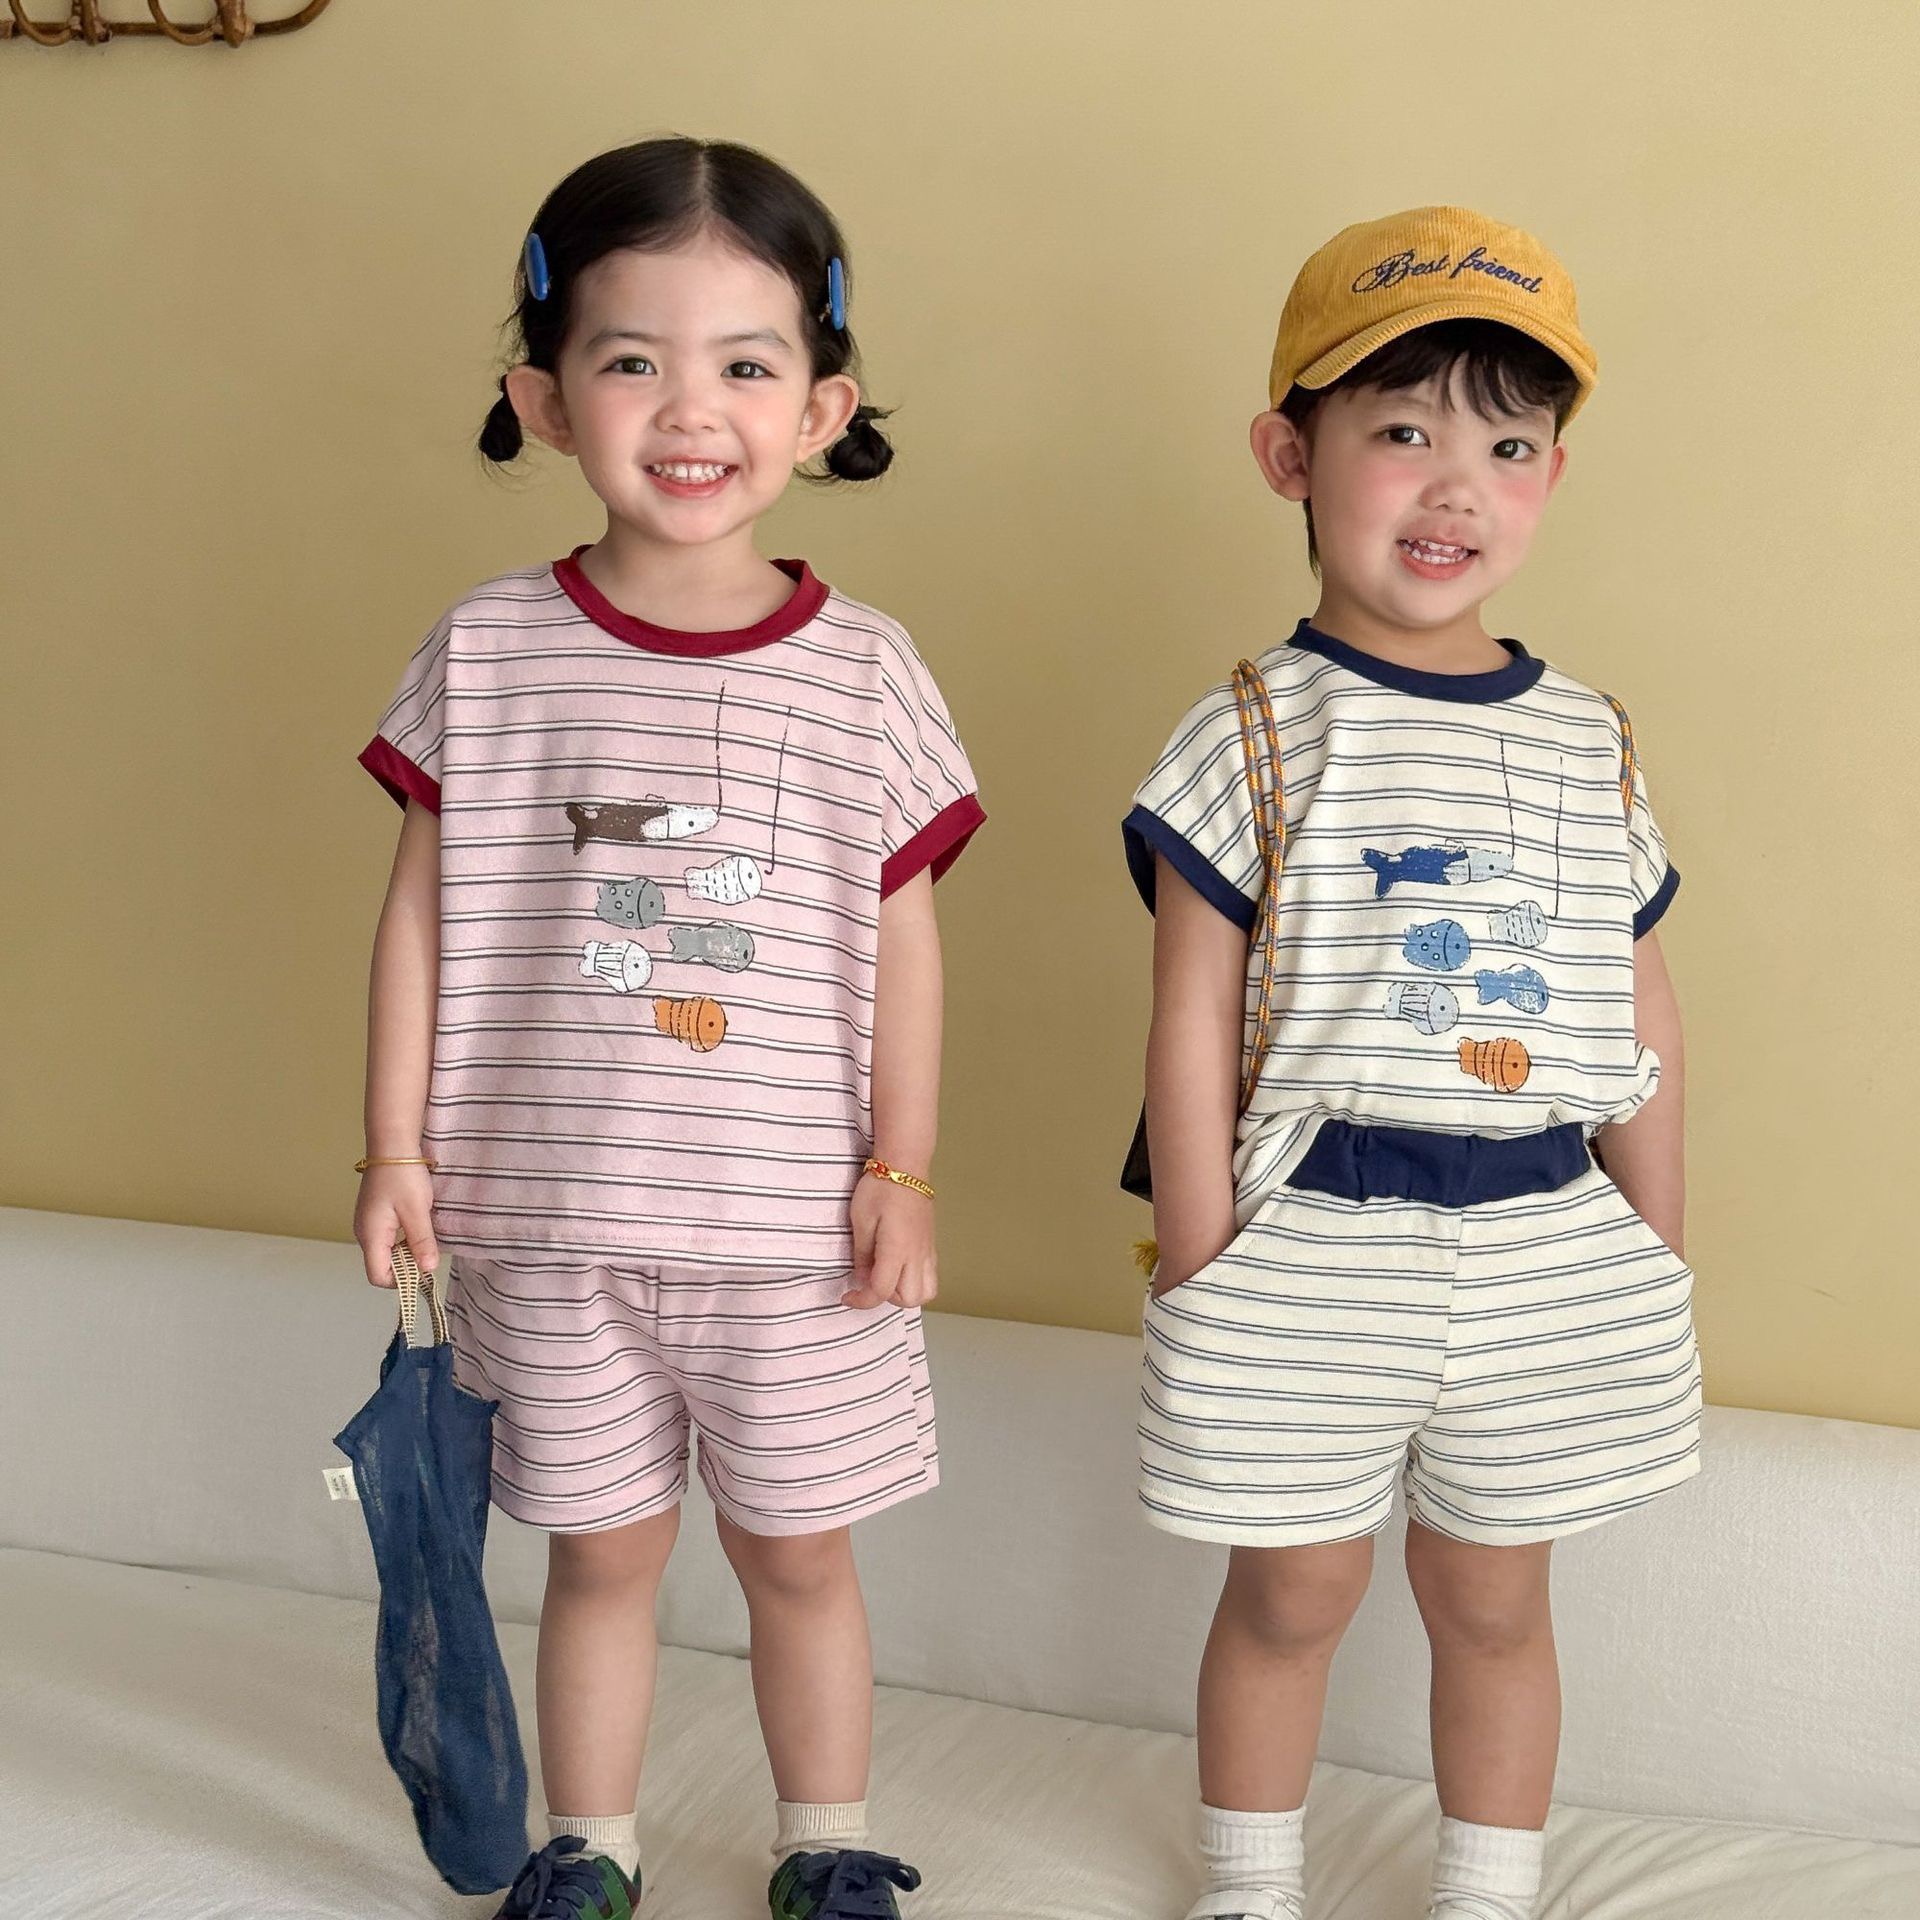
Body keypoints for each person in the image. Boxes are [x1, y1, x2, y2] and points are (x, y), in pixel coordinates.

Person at [353, 136, 984, 1920]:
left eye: (747, 364)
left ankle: (824, 1842)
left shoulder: (866, 672)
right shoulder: (487, 650)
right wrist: (393, 1149)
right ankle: (592, 1846)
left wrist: (903, 1170)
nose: (691, 409)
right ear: (546, 401)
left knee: (800, 1559)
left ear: (821, 407)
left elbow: (906, 940)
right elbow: (417, 914)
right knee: (599, 1559)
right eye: (633, 359)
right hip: (546, 1226)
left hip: (793, 1241)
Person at [1123, 206, 1698, 1920]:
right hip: (1315, 1230)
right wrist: (1201, 1256)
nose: (1458, 488)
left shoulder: (1590, 739)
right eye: (1403, 432)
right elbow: (1186, 1016)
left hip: (1543, 1232)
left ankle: (1487, 1894)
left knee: (1495, 1600)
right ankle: (1249, 1888)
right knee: (1291, 1591)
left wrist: (1656, 1241)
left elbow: (1643, 1004)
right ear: (1288, 456)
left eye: (1507, 448)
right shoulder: (1251, 728)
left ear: (1552, 479)